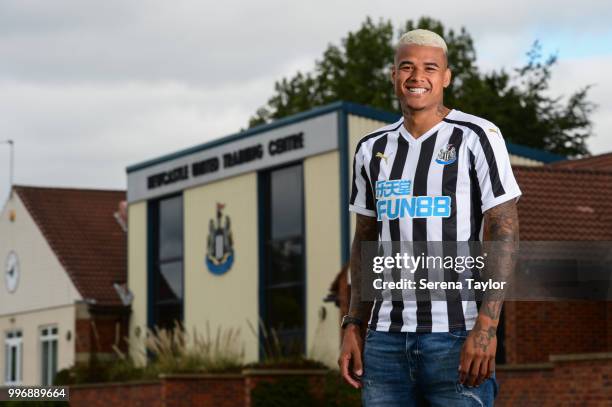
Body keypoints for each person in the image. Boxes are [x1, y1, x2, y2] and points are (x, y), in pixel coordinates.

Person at [338, 29, 521, 406]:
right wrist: (353, 323)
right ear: (393, 75)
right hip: (384, 342)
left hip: (455, 336)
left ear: (446, 77)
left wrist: (487, 326)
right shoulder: (371, 148)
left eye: (429, 67)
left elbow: (503, 232)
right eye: (406, 66)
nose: (416, 76)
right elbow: (364, 240)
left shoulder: (478, 136)